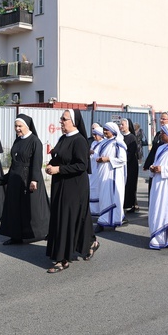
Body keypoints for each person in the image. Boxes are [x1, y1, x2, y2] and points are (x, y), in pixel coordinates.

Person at [45, 109, 98, 273]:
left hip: (74, 186)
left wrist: (59, 169)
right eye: (61, 118)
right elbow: (59, 156)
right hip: (61, 184)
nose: (61, 121)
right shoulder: (63, 138)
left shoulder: (80, 141)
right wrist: (50, 164)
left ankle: (63, 259)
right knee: (73, 218)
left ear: (73, 122)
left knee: (67, 219)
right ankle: (91, 242)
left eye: (64, 119)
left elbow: (81, 165)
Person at [0, 114, 50, 245]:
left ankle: (39, 233)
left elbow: (37, 163)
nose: (17, 129)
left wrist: (34, 180)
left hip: (28, 179)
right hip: (15, 179)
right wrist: (6, 177)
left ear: (27, 126)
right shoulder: (17, 140)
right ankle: (15, 235)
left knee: (32, 209)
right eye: (15, 126)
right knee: (14, 208)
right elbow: (14, 162)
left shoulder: (35, 141)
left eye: (20, 126)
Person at [93, 122, 127, 233]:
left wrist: (108, 159)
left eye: (107, 130)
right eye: (104, 130)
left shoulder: (118, 143)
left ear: (112, 131)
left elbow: (122, 159)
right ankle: (106, 220)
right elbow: (96, 155)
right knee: (103, 198)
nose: (104, 132)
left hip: (112, 175)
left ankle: (106, 221)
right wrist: (98, 158)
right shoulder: (104, 143)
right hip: (103, 174)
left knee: (111, 198)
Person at [143, 112, 168, 196]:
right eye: (160, 118)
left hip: (166, 171)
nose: (161, 120)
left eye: (164, 119)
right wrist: (148, 164)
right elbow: (153, 150)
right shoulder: (158, 134)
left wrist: (163, 169)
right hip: (156, 166)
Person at [120, 118, 140, 214]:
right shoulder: (120, 137)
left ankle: (131, 204)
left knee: (130, 184)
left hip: (130, 164)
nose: (121, 126)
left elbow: (132, 152)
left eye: (122, 124)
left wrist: (123, 159)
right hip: (122, 164)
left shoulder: (132, 137)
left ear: (127, 126)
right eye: (120, 125)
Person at [88, 123, 104, 216]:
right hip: (92, 167)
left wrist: (93, 152)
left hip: (98, 169)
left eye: (96, 134)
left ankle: (98, 209)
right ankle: (91, 209)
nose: (94, 136)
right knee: (91, 187)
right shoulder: (93, 143)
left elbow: (101, 156)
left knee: (96, 188)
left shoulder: (103, 143)